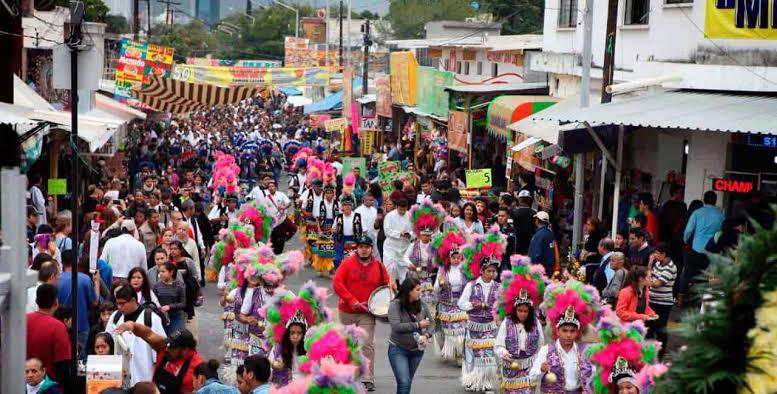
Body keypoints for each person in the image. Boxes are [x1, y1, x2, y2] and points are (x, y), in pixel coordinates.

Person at [332, 235, 392, 392]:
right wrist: (351, 300)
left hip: (367, 312)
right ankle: (347, 375)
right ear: (356, 248)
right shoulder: (346, 264)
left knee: (366, 344)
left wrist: (384, 304)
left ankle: (367, 378)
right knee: (348, 344)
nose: (364, 249)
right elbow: (337, 283)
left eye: (366, 247)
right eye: (361, 247)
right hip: (347, 311)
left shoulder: (379, 266)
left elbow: (387, 286)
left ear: (371, 248)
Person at [529, 281, 598, 393]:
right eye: (564, 330)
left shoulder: (585, 351)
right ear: (557, 331)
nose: (568, 335)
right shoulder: (546, 351)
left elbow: (593, 378)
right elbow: (531, 377)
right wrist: (541, 369)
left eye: (572, 331)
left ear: (577, 332)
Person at [494, 256, 546, 394]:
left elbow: (541, 346)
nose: (522, 313)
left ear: (529, 311)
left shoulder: (535, 324)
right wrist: (504, 353)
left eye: (525, 311)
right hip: (511, 367)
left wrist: (540, 363)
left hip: (529, 367)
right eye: (520, 310)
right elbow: (498, 346)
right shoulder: (507, 323)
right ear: (514, 309)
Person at [112, 323, 203, 394]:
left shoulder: (198, 367)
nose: (166, 349)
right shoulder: (164, 349)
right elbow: (148, 334)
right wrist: (133, 325)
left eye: (172, 347)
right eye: (168, 345)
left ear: (185, 350)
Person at [105, 285, 168, 386]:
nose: (119, 307)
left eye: (122, 304)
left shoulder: (151, 318)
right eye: (118, 304)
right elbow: (107, 340)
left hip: (144, 373)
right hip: (119, 374)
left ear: (133, 300)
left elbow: (162, 347)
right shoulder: (115, 317)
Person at [458, 257, 500, 392]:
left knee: (488, 355)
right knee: (474, 355)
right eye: (489, 271)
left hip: (490, 326)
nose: (492, 274)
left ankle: (487, 382)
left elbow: (502, 306)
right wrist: (471, 305)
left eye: (494, 271)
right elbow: (461, 304)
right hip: (474, 326)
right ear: (482, 271)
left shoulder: (498, 287)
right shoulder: (472, 285)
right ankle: (472, 380)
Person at [388, 277, 434, 394]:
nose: (421, 292)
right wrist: (418, 325)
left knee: (407, 382)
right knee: (404, 382)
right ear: (409, 291)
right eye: (418, 290)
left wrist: (427, 335)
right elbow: (396, 326)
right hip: (398, 349)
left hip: (417, 350)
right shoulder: (395, 305)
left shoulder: (421, 303)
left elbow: (432, 322)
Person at [680, 191, 723, 299]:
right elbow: (722, 231)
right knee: (707, 276)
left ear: (704, 200)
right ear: (715, 201)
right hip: (712, 251)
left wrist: (685, 240)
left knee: (688, 274)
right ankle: (701, 299)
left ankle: (681, 298)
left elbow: (689, 230)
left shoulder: (697, 212)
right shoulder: (721, 214)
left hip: (696, 249)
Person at [433, 231, 468, 365]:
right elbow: (435, 288)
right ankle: (452, 352)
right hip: (446, 304)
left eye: (459, 257)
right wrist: (440, 284)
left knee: (461, 330)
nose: (456, 260)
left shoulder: (465, 270)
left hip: (460, 305)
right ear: (449, 258)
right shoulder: (443, 270)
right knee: (450, 331)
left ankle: (460, 355)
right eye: (454, 257)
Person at [57, 250, 98, 360]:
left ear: (62, 261)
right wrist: (97, 282)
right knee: (80, 358)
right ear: (77, 261)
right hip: (81, 325)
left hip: (60, 325)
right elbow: (95, 302)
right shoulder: (85, 279)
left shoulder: (56, 279)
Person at [27, 284, 71, 388]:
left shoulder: (22, 321)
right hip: (48, 386)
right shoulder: (58, 327)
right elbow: (63, 365)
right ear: (56, 302)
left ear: (37, 301)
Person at [647, 243, 677, 359]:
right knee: (649, 326)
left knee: (660, 328)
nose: (654, 255)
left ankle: (660, 353)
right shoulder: (658, 263)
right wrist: (650, 263)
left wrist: (645, 281)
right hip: (652, 300)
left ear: (663, 254)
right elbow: (651, 275)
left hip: (663, 303)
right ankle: (648, 350)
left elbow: (657, 283)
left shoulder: (671, 267)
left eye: (656, 253)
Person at [383, 197, 414, 285]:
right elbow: (387, 231)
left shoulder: (410, 216)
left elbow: (415, 231)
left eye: (404, 210)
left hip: (404, 247)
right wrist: (399, 234)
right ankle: (390, 291)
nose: (402, 212)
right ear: (396, 207)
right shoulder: (390, 216)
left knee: (404, 271)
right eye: (400, 210)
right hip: (391, 247)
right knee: (390, 269)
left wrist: (410, 234)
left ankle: (404, 291)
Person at [311, 183, 338, 276]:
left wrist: (336, 228)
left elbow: (340, 217)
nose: (329, 195)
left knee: (332, 248)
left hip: (334, 227)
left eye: (330, 193)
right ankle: (320, 268)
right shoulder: (320, 203)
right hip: (323, 226)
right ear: (325, 194)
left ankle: (331, 269)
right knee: (322, 248)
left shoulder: (337, 203)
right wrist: (319, 230)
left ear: (333, 194)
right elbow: (317, 218)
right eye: (327, 193)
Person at [153, 262, 187, 335]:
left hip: (175, 317)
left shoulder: (179, 285)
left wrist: (169, 306)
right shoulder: (157, 286)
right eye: (160, 272)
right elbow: (153, 301)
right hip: (160, 317)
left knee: (174, 339)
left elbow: (183, 303)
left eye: (163, 271)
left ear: (171, 272)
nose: (161, 274)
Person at [261, 179, 292, 254]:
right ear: (268, 189)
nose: (271, 188)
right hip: (272, 223)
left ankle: (279, 254)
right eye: (269, 187)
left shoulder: (281, 194)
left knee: (281, 241)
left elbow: (289, 203)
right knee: (273, 241)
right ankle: (273, 255)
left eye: (273, 186)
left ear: (276, 187)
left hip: (282, 221)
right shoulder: (266, 198)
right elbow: (264, 210)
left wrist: (284, 207)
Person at [333, 194, 363, 270]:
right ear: (342, 207)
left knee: (350, 260)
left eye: (349, 205)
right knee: (337, 259)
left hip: (352, 240)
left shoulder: (357, 216)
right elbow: (333, 230)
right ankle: (339, 274)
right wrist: (335, 229)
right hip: (341, 239)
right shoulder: (339, 217)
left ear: (352, 206)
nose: (347, 207)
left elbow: (364, 231)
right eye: (345, 205)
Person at [528, 211, 556, 276]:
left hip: (540, 269)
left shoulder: (539, 235)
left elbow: (536, 254)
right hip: (549, 268)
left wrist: (531, 267)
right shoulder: (550, 233)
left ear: (537, 221)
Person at [511, 190, 536, 255]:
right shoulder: (534, 213)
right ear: (529, 200)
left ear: (519, 200)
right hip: (530, 242)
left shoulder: (514, 212)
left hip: (518, 242)